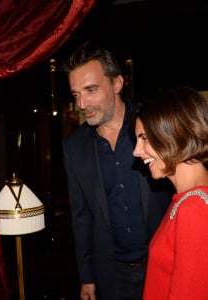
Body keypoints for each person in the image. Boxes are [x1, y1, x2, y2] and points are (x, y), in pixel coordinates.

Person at [62, 41, 173, 300]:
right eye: (76, 94)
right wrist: (86, 277)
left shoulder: (154, 123)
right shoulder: (73, 146)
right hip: (111, 273)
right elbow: (81, 217)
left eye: (90, 90)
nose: (81, 103)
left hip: (164, 263)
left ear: (117, 84)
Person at [133, 86, 208, 299]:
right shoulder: (186, 199)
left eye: (144, 138)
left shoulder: (195, 208)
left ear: (173, 134)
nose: (136, 151)